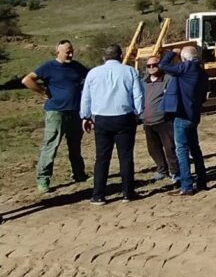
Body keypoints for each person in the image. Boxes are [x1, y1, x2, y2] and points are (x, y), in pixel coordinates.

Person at [22, 40, 89, 193]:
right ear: (58, 51)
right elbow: (27, 80)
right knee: (51, 145)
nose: (70, 54)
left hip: (75, 112)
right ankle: (43, 179)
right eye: (67, 51)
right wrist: (42, 91)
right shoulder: (48, 67)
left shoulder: (77, 67)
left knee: (75, 146)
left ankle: (79, 174)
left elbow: (90, 78)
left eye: (72, 51)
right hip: (56, 112)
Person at [80, 44, 144, 205]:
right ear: (121, 56)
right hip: (124, 116)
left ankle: (98, 194)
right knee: (125, 156)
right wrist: (138, 112)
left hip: (101, 118)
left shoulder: (93, 73)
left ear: (104, 57)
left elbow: (86, 97)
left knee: (101, 157)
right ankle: (128, 192)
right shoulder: (130, 71)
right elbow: (138, 94)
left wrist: (85, 116)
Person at [160, 45, 209, 196]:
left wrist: (171, 53)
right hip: (193, 115)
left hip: (182, 115)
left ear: (184, 58)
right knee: (195, 149)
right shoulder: (202, 73)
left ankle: (187, 185)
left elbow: (163, 65)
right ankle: (202, 181)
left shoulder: (186, 68)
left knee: (181, 150)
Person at [141, 55, 179, 183]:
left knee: (170, 148)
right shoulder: (143, 82)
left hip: (164, 121)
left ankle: (175, 172)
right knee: (153, 148)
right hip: (147, 121)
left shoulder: (168, 79)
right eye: (149, 66)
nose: (151, 68)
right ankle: (162, 170)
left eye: (154, 65)